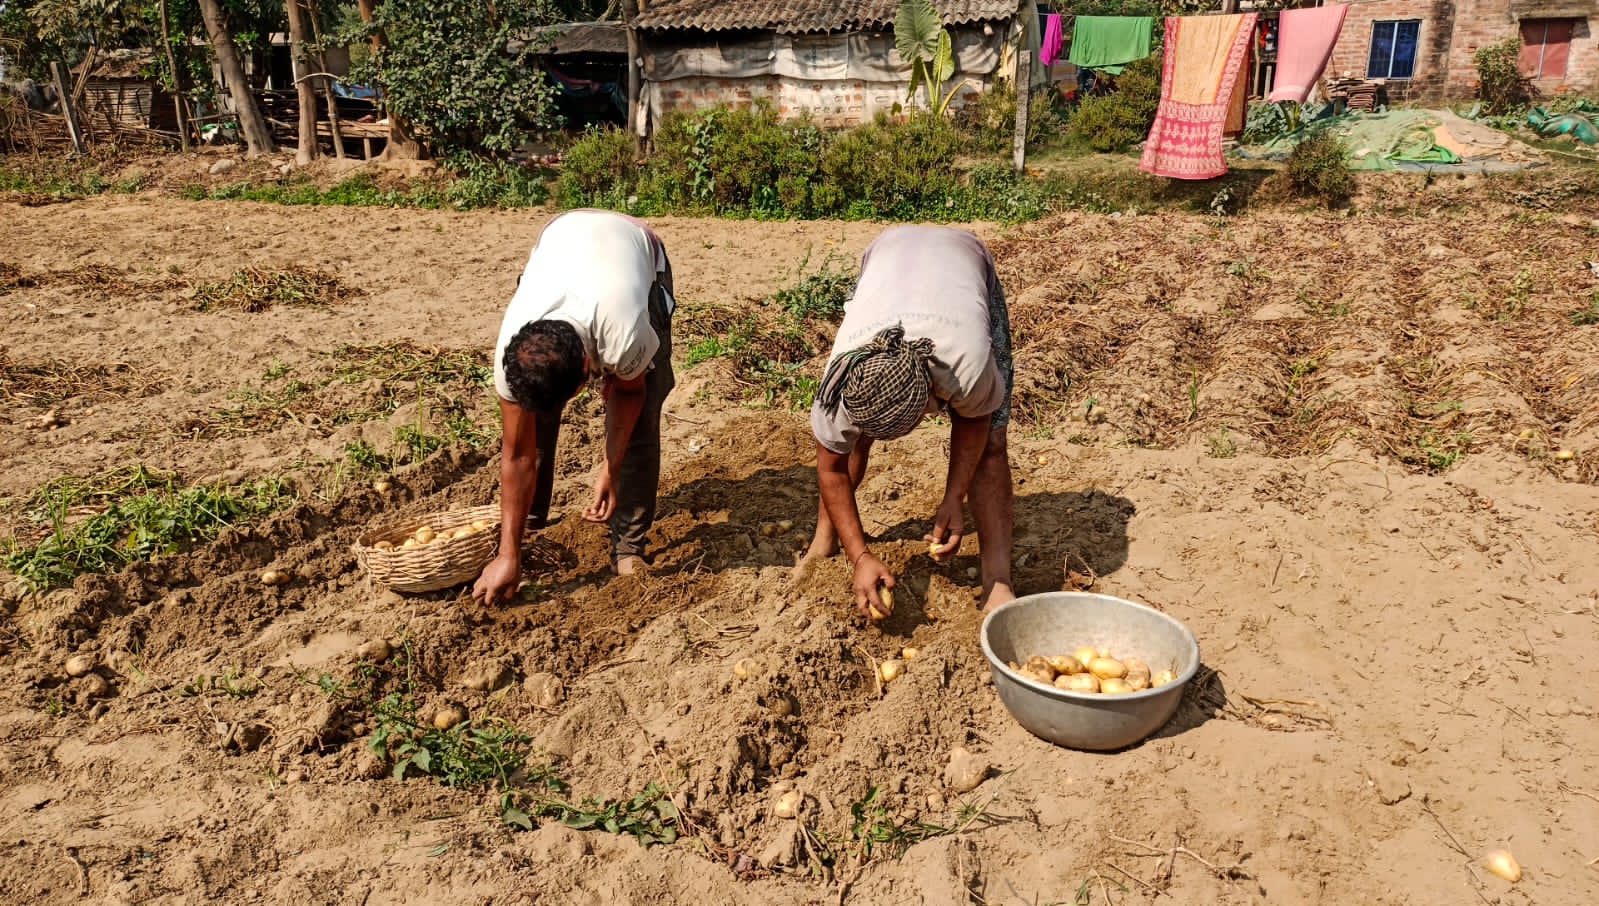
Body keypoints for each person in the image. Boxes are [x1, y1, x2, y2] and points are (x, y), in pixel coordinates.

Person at [799, 226, 1015, 619]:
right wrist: (860, 556)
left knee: (993, 446)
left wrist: (954, 499)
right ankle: (823, 540)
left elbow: (975, 424)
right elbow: (831, 468)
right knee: (853, 440)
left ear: (933, 396)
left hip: (962, 260)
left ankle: (998, 581)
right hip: (887, 257)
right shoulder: (840, 383)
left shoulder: (965, 366)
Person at [473, 210, 675, 605]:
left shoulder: (625, 332)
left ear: (588, 370)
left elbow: (629, 396)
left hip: (634, 246)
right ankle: (530, 528)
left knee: (644, 415)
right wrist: (507, 553)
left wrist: (610, 469)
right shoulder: (511, 358)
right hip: (562, 235)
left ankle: (628, 546)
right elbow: (516, 454)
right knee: (535, 418)